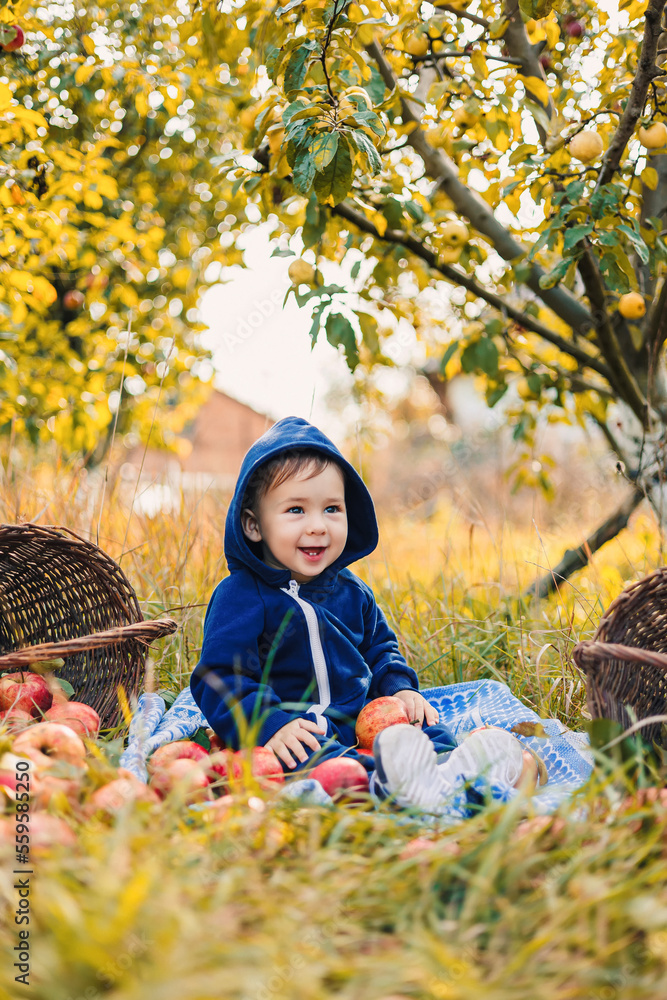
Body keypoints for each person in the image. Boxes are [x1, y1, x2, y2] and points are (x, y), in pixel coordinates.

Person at [190, 416, 537, 813]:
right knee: (317, 762)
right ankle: (392, 784)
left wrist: (400, 689)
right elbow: (219, 677)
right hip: (298, 726)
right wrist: (268, 724)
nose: (318, 526)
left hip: (366, 718)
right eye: (296, 510)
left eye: (332, 509)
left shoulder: (353, 592)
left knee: (425, 726)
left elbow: (380, 647)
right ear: (253, 525)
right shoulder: (241, 596)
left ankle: (455, 767)